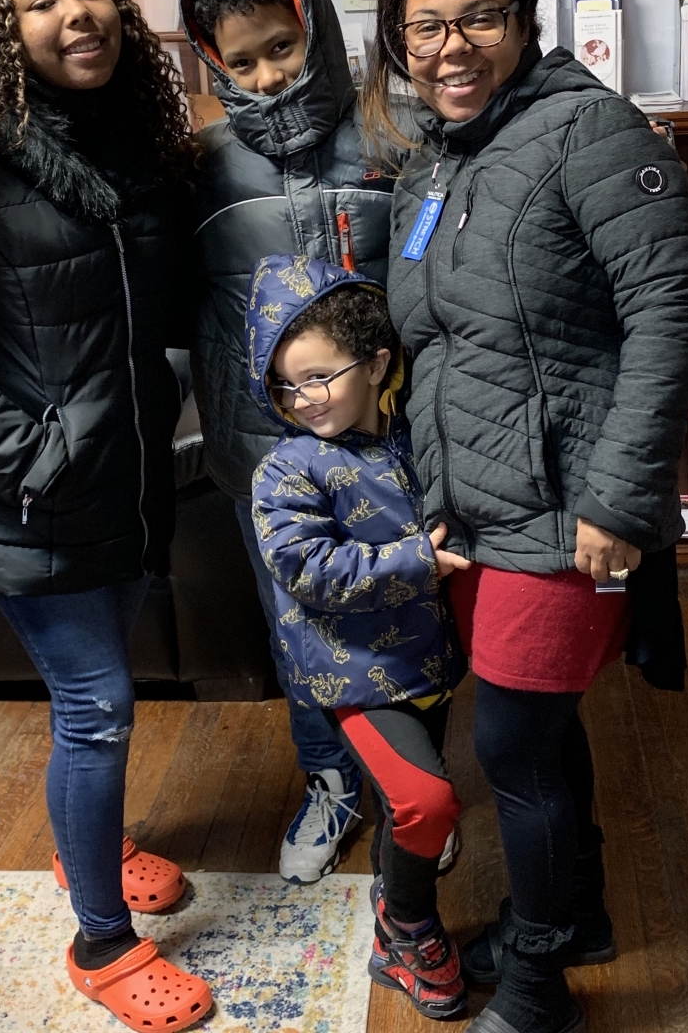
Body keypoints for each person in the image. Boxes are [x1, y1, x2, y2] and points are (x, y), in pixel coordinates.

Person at [362, 0, 688, 1033]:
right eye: (425, 28)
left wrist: (618, 500)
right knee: (540, 737)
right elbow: (429, 346)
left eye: (478, 18)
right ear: (397, 42)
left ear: (523, 19)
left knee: (513, 748)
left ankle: (536, 986)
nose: (451, 47)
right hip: (471, 509)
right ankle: (585, 913)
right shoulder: (430, 168)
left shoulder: (590, 133)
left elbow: (670, 311)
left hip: (567, 512)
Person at [0, 0, 211, 1031]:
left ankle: (83, 847)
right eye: (40, 1)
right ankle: (100, 942)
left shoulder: (135, 151)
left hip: (126, 486)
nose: (76, 13)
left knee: (93, 705)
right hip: (34, 498)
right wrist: (41, 454)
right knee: (97, 709)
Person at [179, 0, 398, 884]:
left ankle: (405, 783)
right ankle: (329, 780)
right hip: (266, 454)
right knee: (297, 624)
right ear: (212, 64)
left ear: (315, 27)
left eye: (282, 46)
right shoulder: (201, 169)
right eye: (242, 60)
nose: (266, 75)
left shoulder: (396, 139)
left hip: (394, 438)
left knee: (403, 612)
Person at [246, 253, 469, 1019]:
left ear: (376, 364)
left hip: (427, 660)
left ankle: (393, 891)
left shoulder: (412, 435)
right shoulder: (285, 471)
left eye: (318, 377)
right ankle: (404, 929)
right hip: (355, 675)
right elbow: (308, 567)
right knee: (429, 803)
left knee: (409, 807)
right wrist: (420, 563)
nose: (301, 398)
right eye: (285, 383)